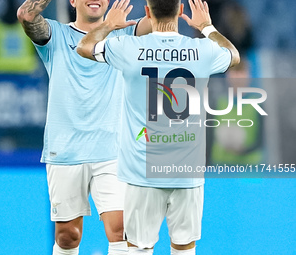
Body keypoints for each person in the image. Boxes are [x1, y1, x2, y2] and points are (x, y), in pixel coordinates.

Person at [77, 0, 240, 254]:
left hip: (142, 173)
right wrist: (207, 27)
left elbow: (84, 46)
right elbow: (234, 55)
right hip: (187, 172)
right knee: (184, 248)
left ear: (147, 12)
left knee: (139, 248)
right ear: (181, 11)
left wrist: (109, 24)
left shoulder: (129, 48)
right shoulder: (202, 50)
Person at [16, 0, 151, 254]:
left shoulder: (124, 32)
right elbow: (26, 14)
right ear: (73, 1)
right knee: (68, 237)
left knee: (121, 229)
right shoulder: (55, 35)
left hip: (112, 150)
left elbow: (161, 18)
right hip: (66, 150)